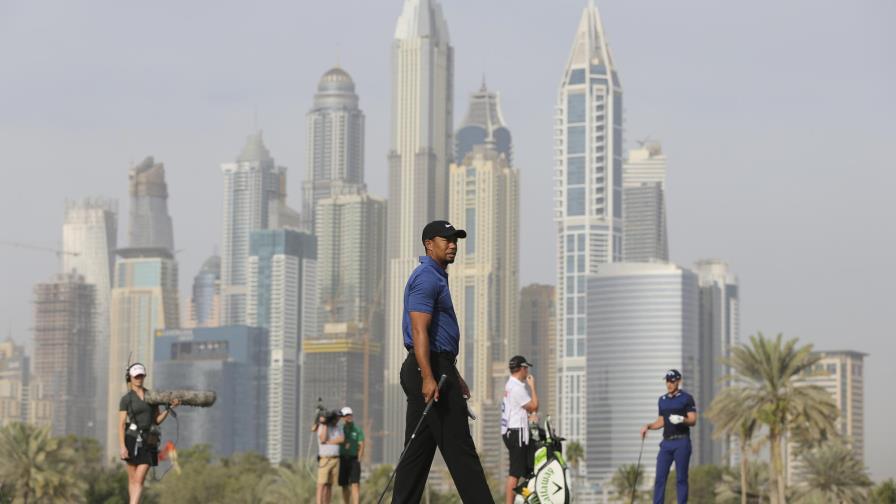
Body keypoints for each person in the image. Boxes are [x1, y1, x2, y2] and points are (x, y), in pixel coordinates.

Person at [392, 220, 494, 503]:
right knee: (462, 451)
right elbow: (419, 330)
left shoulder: (436, 276)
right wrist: (429, 375)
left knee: (415, 456)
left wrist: (453, 372)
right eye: (446, 240)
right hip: (430, 368)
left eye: (456, 241)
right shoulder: (427, 277)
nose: (453, 245)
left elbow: (436, 336)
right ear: (428, 244)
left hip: (435, 366)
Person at [118, 363, 179, 504]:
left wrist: (168, 410)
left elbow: (157, 420)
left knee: (139, 479)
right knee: (132, 480)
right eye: (136, 376)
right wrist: (122, 446)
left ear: (144, 376)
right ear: (130, 378)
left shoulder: (152, 397)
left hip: (149, 440)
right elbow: (121, 424)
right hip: (131, 439)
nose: (139, 378)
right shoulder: (126, 399)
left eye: (141, 375)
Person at [639, 369, 697, 504]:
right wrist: (647, 426)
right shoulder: (662, 400)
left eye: (672, 381)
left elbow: (693, 420)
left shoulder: (686, 398)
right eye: (667, 381)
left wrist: (682, 419)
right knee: (660, 478)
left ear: (678, 381)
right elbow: (661, 421)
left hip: (682, 442)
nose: (669, 384)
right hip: (666, 444)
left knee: (681, 478)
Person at [501, 355, 539, 504]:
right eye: (526, 368)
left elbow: (522, 410)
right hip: (516, 433)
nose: (527, 371)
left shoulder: (510, 385)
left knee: (527, 469)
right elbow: (534, 406)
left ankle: (528, 497)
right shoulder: (516, 387)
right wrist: (533, 386)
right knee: (515, 473)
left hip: (513, 431)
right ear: (521, 368)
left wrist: (529, 416)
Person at [316, 411, 345, 504]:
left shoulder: (338, 428)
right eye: (336, 418)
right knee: (322, 484)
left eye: (338, 418)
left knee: (329, 484)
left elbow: (342, 439)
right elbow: (323, 438)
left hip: (335, 459)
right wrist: (325, 423)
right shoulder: (323, 427)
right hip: (325, 459)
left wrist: (330, 441)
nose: (337, 420)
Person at [338, 406, 364, 504]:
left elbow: (362, 444)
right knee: (344, 485)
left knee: (355, 484)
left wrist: (359, 459)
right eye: (346, 415)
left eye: (349, 415)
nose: (348, 417)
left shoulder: (357, 430)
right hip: (343, 459)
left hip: (354, 460)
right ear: (343, 417)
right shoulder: (340, 429)